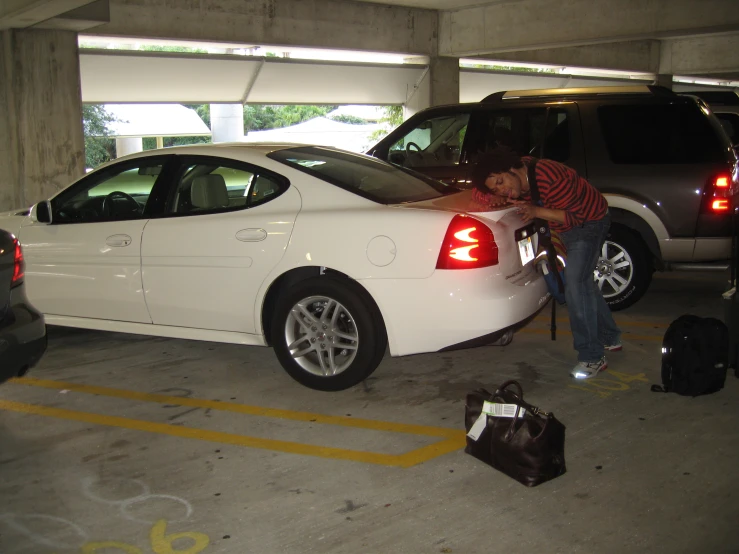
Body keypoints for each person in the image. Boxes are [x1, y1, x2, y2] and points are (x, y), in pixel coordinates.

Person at [472, 146, 622, 379]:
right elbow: (478, 194)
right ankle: (610, 337)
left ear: (512, 169)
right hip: (565, 227)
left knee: (576, 285)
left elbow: (575, 217)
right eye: (497, 188)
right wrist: (491, 195)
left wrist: (536, 211)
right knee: (584, 283)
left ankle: (592, 357)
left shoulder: (549, 176)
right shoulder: (516, 179)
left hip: (589, 224)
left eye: (501, 182)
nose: (505, 192)